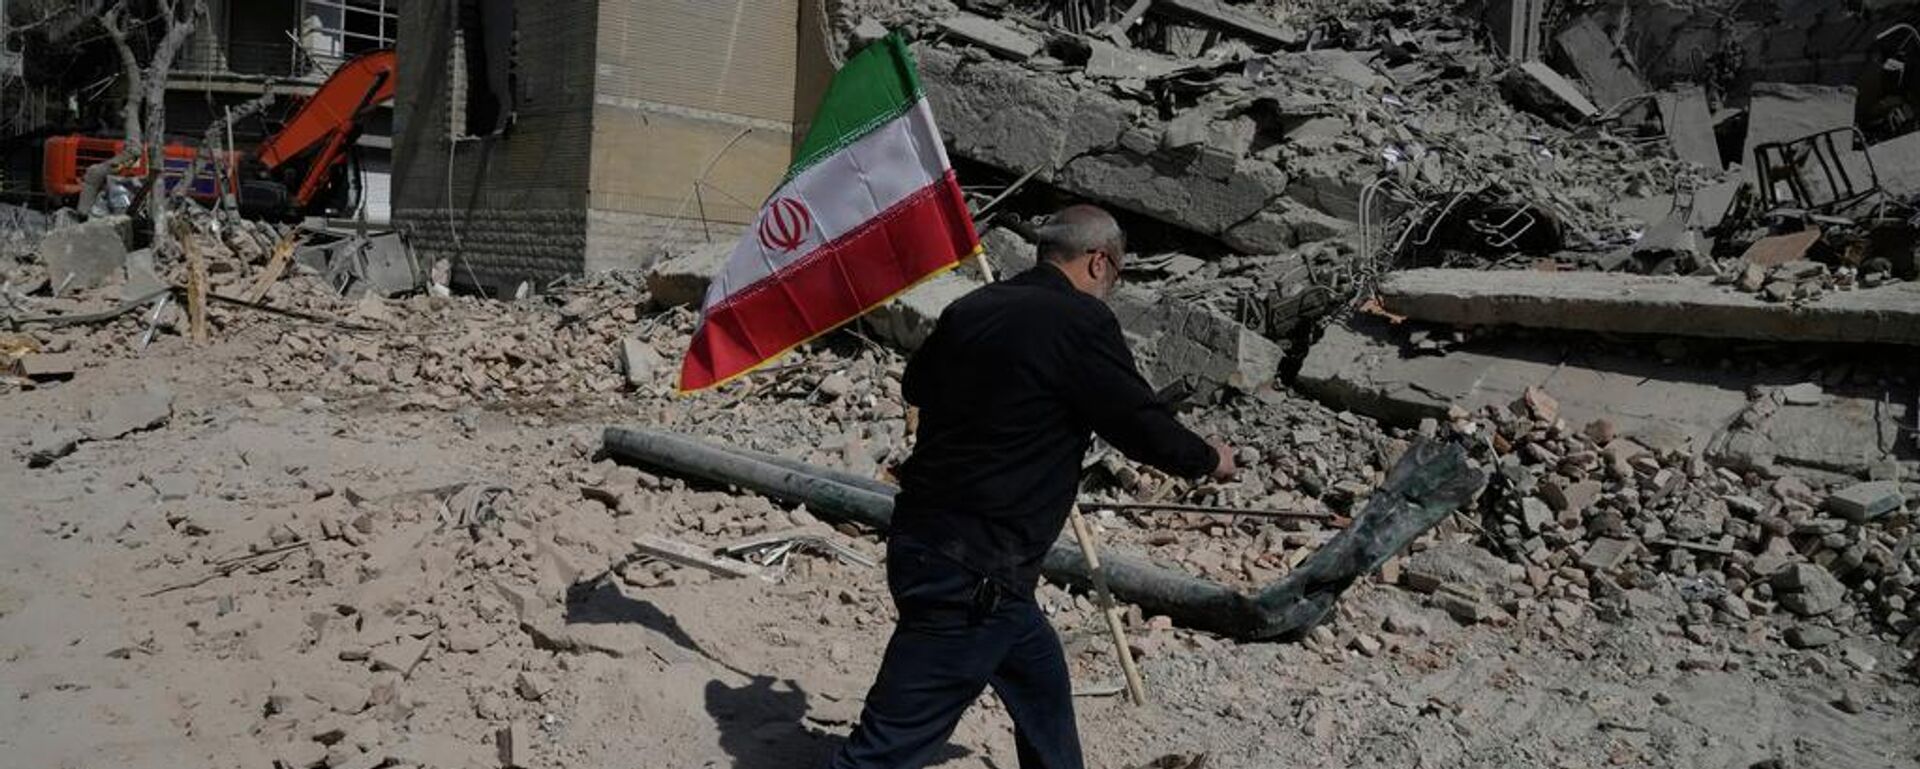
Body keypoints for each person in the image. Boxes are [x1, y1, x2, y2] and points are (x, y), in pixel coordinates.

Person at [827, 204, 1235, 769]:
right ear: (1098, 263)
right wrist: (1210, 459)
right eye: (1116, 275)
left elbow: (919, 384)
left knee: (1040, 680)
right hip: (974, 573)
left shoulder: (973, 307)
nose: (1111, 288)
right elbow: (1140, 425)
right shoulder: (1081, 323)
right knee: (886, 747)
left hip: (928, 545)